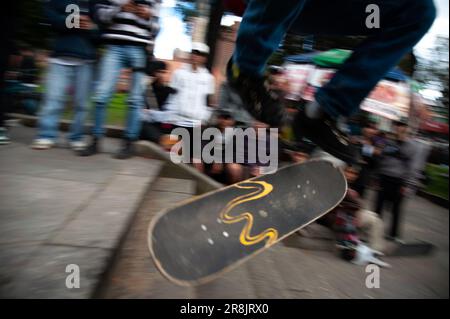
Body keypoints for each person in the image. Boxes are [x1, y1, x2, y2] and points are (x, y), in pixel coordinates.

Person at [226, 0, 436, 164]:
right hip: (273, 6)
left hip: (333, 10)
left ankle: (322, 112)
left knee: (418, 11)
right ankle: (245, 69)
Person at [81, 0, 161, 159]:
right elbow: (100, 16)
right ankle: (96, 140)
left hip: (139, 48)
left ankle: (129, 142)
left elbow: (157, 28)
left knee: (135, 99)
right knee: (101, 95)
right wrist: (119, 8)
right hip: (114, 47)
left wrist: (148, 16)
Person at [31, 0, 98, 151]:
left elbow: (101, 32)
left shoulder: (93, 4)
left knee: (82, 104)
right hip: (60, 56)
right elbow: (51, 18)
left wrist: (93, 28)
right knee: (53, 99)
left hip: (85, 59)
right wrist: (72, 21)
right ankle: (46, 135)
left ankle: (76, 136)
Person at [374, 122, 416, 241]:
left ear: (406, 130)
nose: (399, 129)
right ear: (394, 128)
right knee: (379, 206)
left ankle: (394, 235)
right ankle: (375, 231)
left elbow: (412, 167)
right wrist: (376, 178)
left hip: (399, 181)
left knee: (396, 209)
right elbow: (381, 159)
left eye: (402, 127)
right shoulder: (387, 142)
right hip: (384, 177)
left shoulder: (411, 146)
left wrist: (407, 184)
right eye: (397, 127)